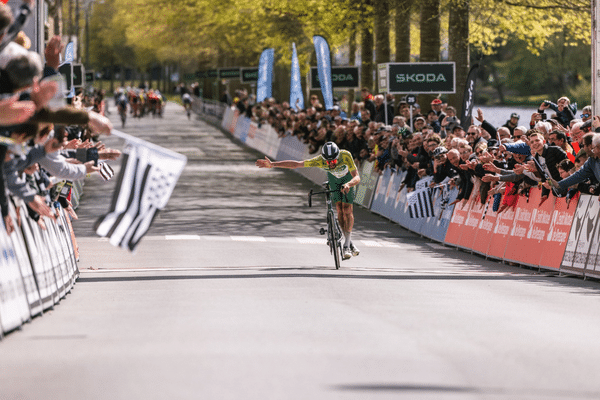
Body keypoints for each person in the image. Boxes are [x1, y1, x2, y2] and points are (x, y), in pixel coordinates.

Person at [256, 142, 361, 259]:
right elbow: (296, 164)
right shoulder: (319, 160)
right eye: (328, 162)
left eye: (334, 161)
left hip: (348, 178)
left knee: (347, 208)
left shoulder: (345, 155)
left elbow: (357, 176)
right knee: (340, 210)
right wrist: (273, 164)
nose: (331, 164)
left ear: (338, 157)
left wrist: (348, 184)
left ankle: (347, 244)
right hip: (334, 179)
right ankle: (349, 241)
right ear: (323, 159)